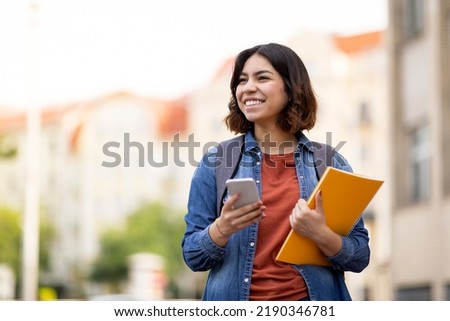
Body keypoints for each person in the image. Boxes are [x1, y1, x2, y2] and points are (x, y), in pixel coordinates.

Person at [181, 43, 370, 301]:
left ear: (291, 88)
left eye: (262, 78)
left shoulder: (329, 162)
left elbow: (360, 256)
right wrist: (222, 228)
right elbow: (193, 256)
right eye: (242, 80)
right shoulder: (217, 162)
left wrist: (320, 234)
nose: (248, 87)